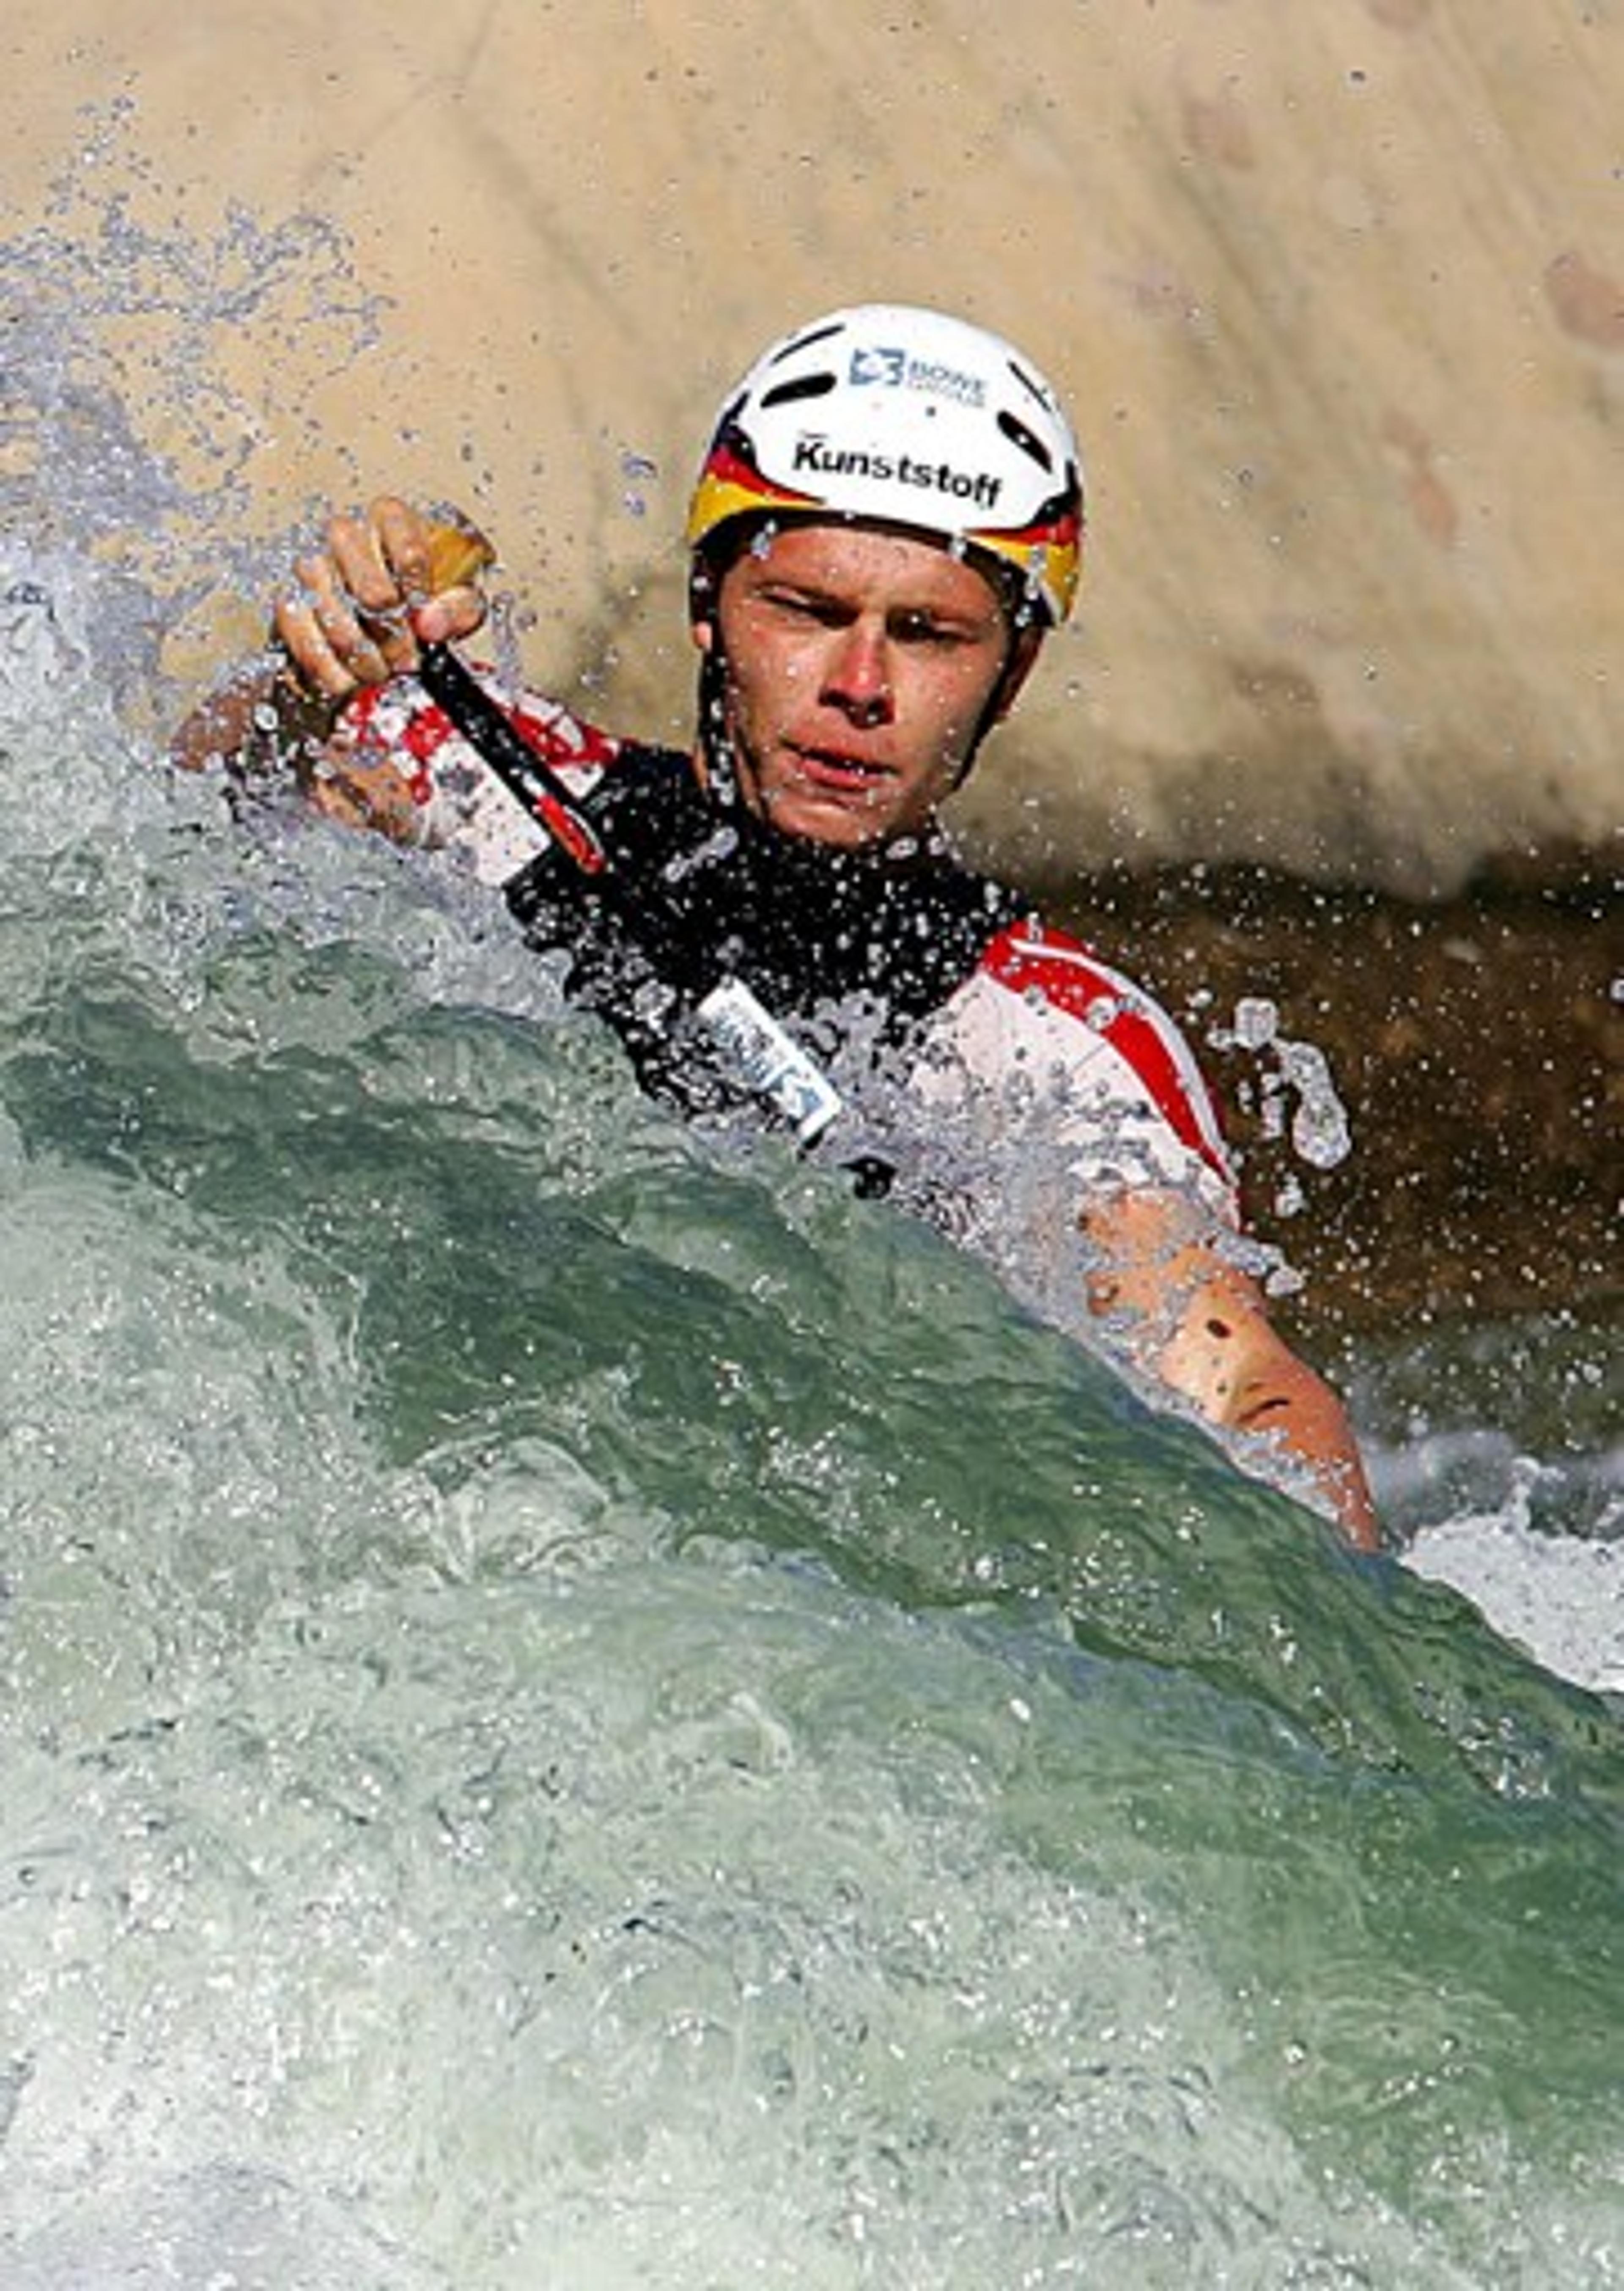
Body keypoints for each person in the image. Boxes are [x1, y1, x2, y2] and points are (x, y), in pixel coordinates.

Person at [175, 303, 1379, 1547]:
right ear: (709, 608)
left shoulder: (1053, 1044)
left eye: (927, 635)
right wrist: (302, 676)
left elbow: (1239, 1381)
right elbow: (166, 822)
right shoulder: (482, 787)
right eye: (805, 612)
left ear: (1009, 677)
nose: (858, 688)